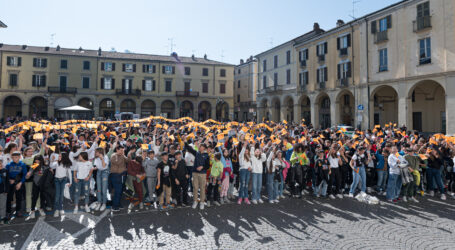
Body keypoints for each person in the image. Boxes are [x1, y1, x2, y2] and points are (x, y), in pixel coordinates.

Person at [185, 142, 209, 210]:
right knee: (195, 187)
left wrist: (202, 167)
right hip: (195, 173)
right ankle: (195, 201)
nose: (199, 147)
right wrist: (185, 141)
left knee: (202, 188)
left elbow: (207, 166)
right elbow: (189, 149)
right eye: (199, 146)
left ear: (204, 148)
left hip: (203, 173)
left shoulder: (206, 155)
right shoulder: (196, 153)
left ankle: (202, 202)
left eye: (201, 146)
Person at [5, 151, 27, 219]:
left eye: (16, 157)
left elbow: (24, 175)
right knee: (9, 198)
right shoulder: (9, 165)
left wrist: (20, 183)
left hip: (19, 182)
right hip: (11, 183)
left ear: (19, 157)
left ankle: (18, 211)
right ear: (11, 157)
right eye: (13, 157)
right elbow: (6, 175)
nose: (14, 158)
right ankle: (8, 212)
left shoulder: (22, 165)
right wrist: (9, 180)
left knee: (19, 197)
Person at [51, 152, 72, 217]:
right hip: (57, 180)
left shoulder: (66, 164)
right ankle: (56, 210)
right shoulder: (57, 163)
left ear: (64, 157)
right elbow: (51, 166)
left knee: (61, 195)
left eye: (60, 156)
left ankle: (61, 209)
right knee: (57, 195)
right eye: (59, 156)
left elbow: (69, 173)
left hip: (64, 180)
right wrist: (52, 160)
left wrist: (71, 182)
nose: (59, 157)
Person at [110, 145, 128, 212]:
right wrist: (123, 156)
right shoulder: (113, 155)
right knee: (117, 191)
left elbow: (128, 161)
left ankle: (118, 204)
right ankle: (114, 206)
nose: (122, 151)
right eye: (120, 150)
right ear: (117, 150)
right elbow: (118, 162)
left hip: (123, 175)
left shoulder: (123, 155)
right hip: (116, 175)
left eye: (122, 150)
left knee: (120, 191)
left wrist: (128, 155)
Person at [0, 159, 8, 224]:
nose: (0, 165)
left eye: (1, 163)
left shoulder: (4, 171)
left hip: (3, 191)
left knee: (3, 205)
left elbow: (7, 181)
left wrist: (6, 190)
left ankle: (3, 217)